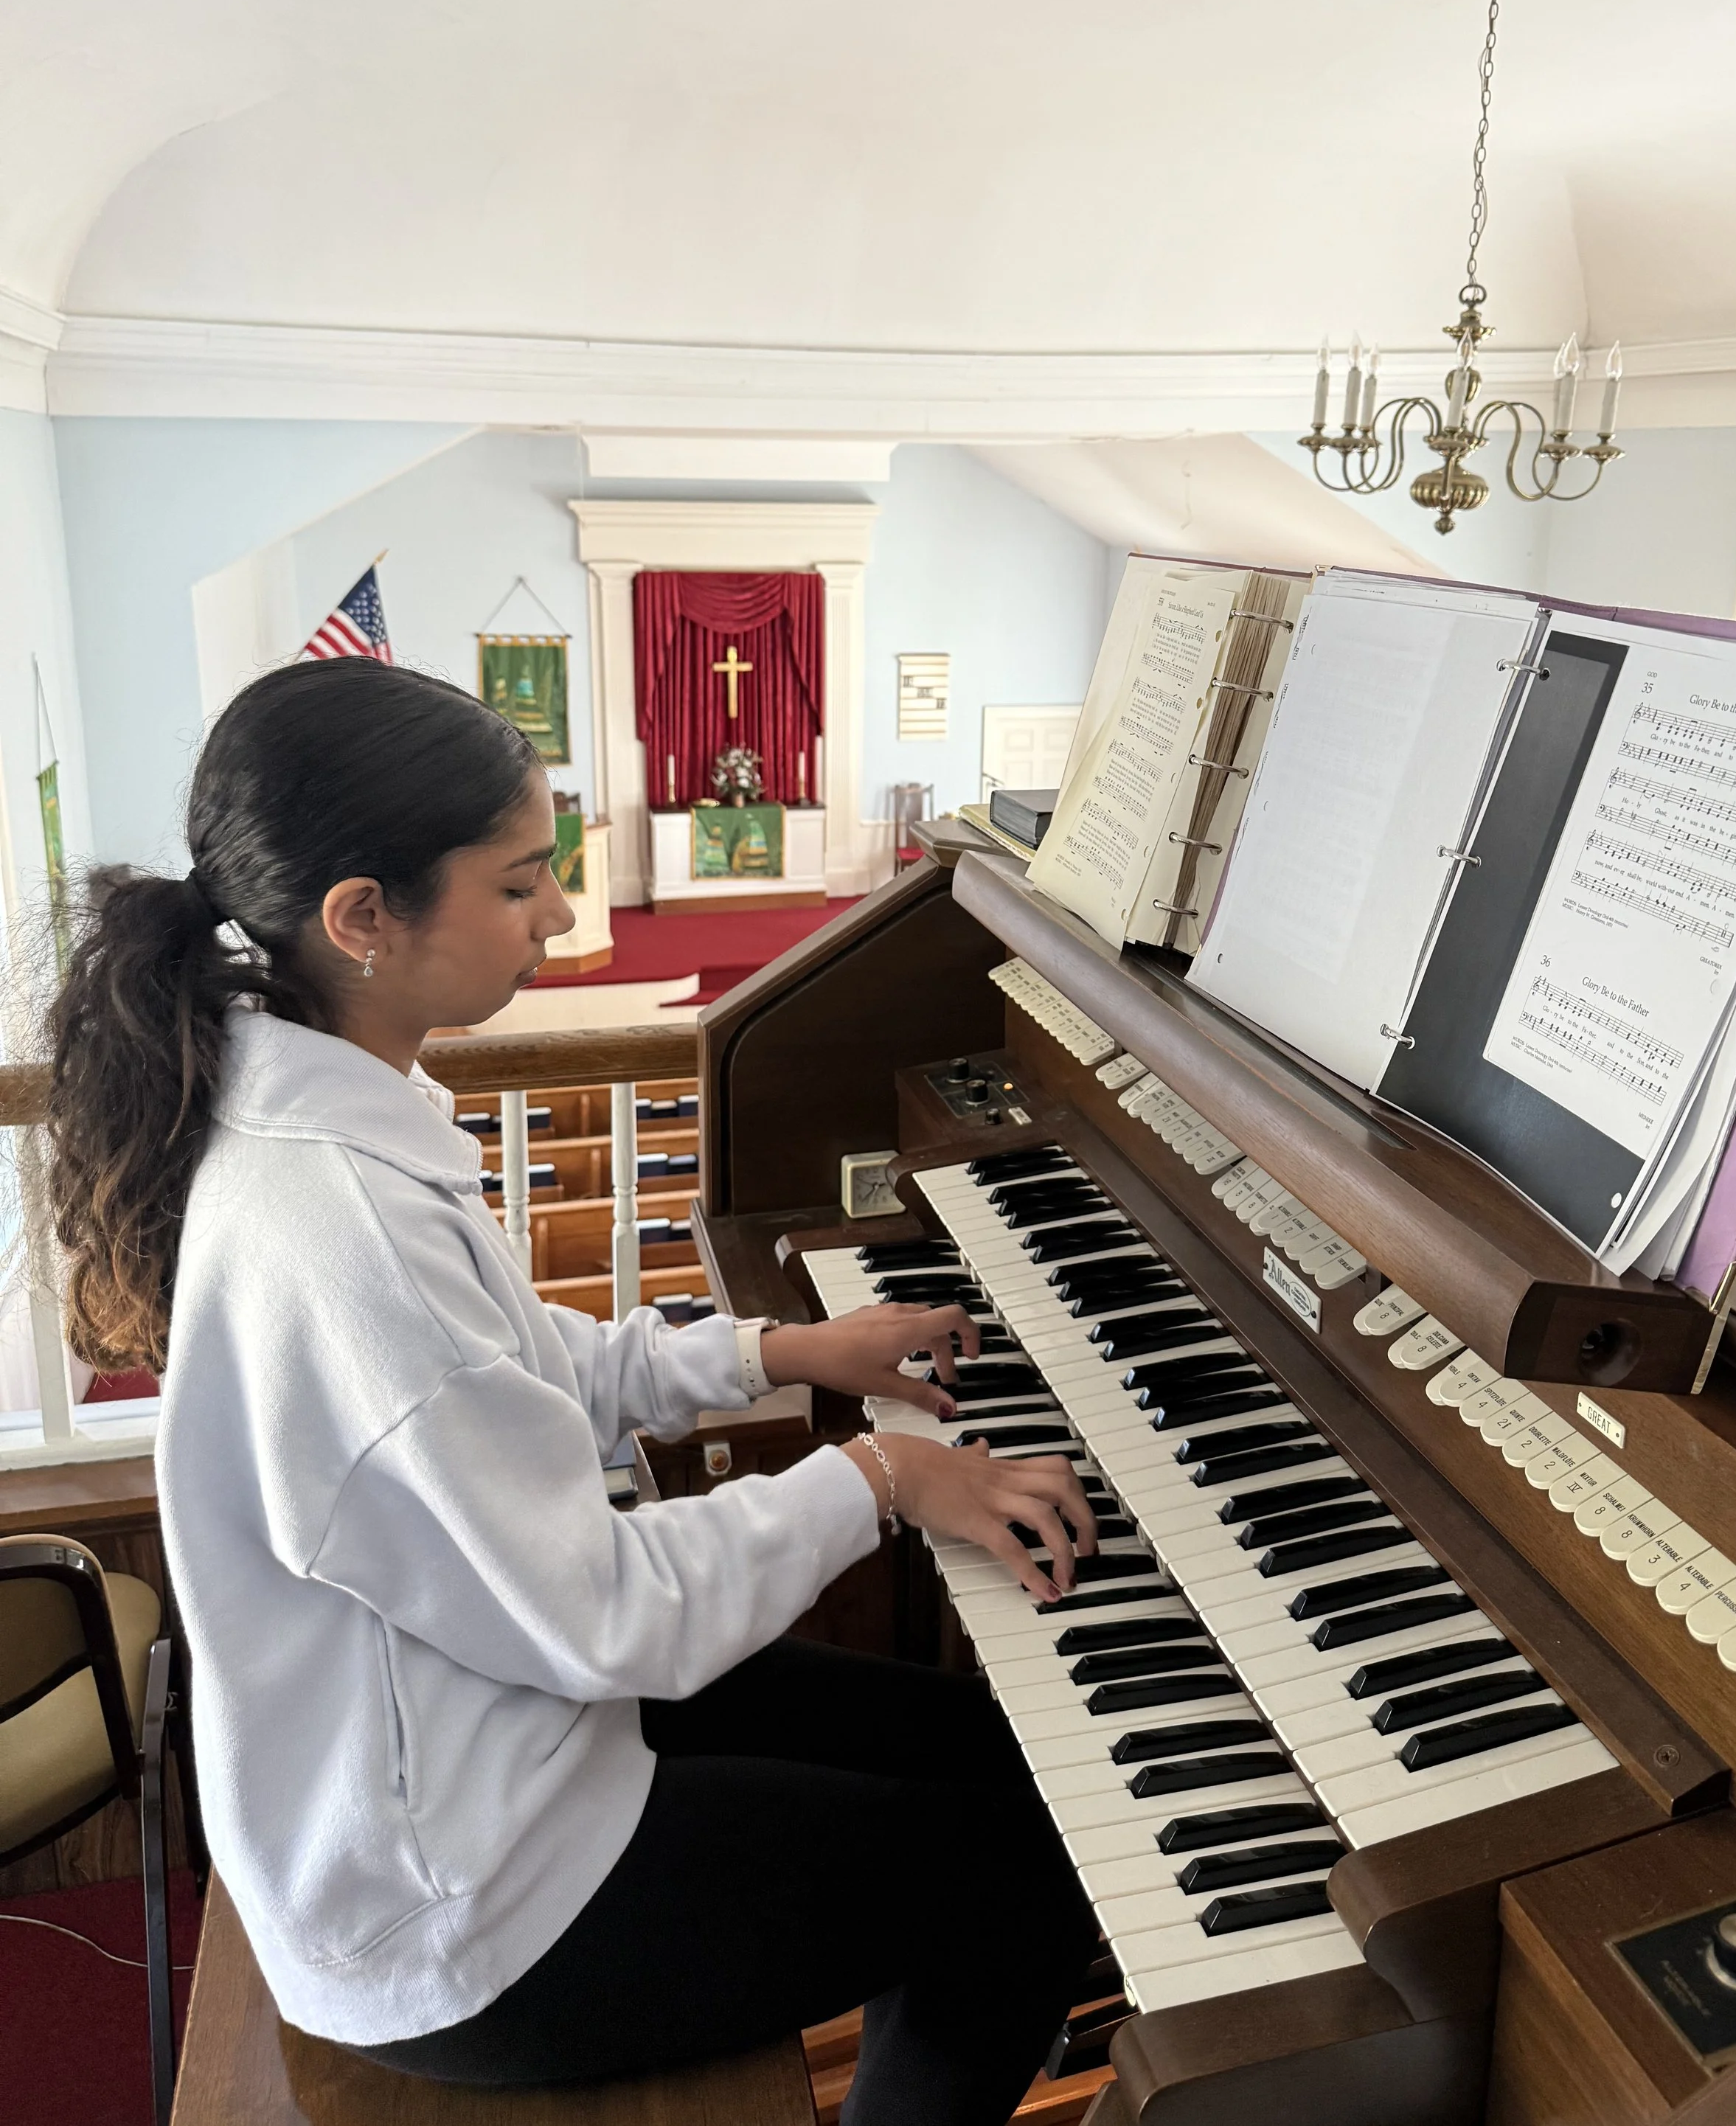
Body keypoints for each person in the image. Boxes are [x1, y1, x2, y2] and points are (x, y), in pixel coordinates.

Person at [44, 659, 1098, 2126]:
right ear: (363, 918)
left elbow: (517, 1369)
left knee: (1013, 1760)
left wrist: (777, 1355)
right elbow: (603, 1609)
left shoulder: (327, 1095)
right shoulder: (334, 1222)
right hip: (461, 1906)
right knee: (1018, 1886)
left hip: (492, 1722)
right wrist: (883, 1479)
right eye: (520, 882)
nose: (554, 915)